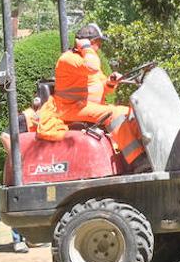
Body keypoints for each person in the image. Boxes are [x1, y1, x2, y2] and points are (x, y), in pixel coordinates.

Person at [36, 23, 146, 168]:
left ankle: (141, 153)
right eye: (97, 43)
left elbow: (102, 87)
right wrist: (87, 48)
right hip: (68, 109)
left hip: (83, 106)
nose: (98, 47)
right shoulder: (69, 59)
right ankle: (137, 160)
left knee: (128, 112)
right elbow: (92, 67)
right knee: (112, 114)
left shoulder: (86, 60)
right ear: (85, 42)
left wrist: (111, 82)